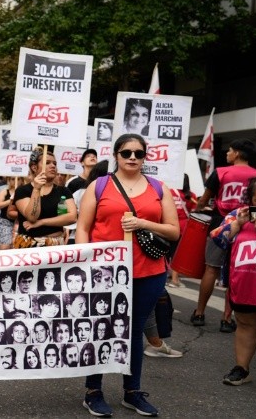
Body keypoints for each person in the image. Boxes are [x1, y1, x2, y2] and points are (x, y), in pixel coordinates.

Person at [76, 133, 180, 417]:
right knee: (101, 329)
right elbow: (83, 228)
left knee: (133, 331)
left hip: (148, 272)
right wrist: (87, 264)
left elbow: (174, 230)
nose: (133, 157)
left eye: (138, 153)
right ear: (116, 155)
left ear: (145, 156)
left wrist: (142, 222)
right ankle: (93, 391)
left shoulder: (159, 188)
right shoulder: (99, 186)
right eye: (126, 153)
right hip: (104, 272)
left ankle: (132, 391)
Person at [209, 175, 256, 397]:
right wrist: (239, 223)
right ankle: (241, 368)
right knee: (245, 325)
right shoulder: (239, 214)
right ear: (250, 199)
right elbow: (218, 237)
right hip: (245, 286)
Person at [192, 139, 256, 331]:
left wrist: (201, 207)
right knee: (235, 272)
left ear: (238, 154)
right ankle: (226, 318)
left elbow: (203, 201)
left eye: (230, 151)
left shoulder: (221, 172)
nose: (227, 154)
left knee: (211, 269)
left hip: (220, 225)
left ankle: (199, 313)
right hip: (247, 228)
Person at [8, 148, 76, 248]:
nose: (53, 166)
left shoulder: (63, 191)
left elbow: (72, 217)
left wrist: (42, 222)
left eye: (55, 163)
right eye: (47, 163)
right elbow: (32, 217)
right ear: (34, 168)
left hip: (55, 245)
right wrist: (36, 189)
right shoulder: (23, 191)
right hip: (29, 244)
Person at [0, 178, 19, 249]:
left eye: (19, 179)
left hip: (20, 223)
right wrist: (11, 200)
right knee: (4, 247)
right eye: (12, 179)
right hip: (6, 223)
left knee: (17, 247)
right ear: (9, 180)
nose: (15, 181)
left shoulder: (24, 191)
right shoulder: (5, 191)